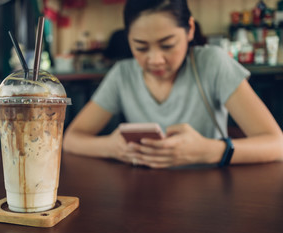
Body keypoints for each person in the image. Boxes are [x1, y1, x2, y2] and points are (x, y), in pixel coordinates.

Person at [63, 0, 283, 168]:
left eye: (167, 45)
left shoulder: (212, 63)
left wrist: (210, 151)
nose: (156, 60)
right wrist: (111, 147)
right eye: (140, 47)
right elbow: (71, 139)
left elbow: (276, 144)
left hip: (211, 196)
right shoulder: (123, 74)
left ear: (190, 29)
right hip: (146, 197)